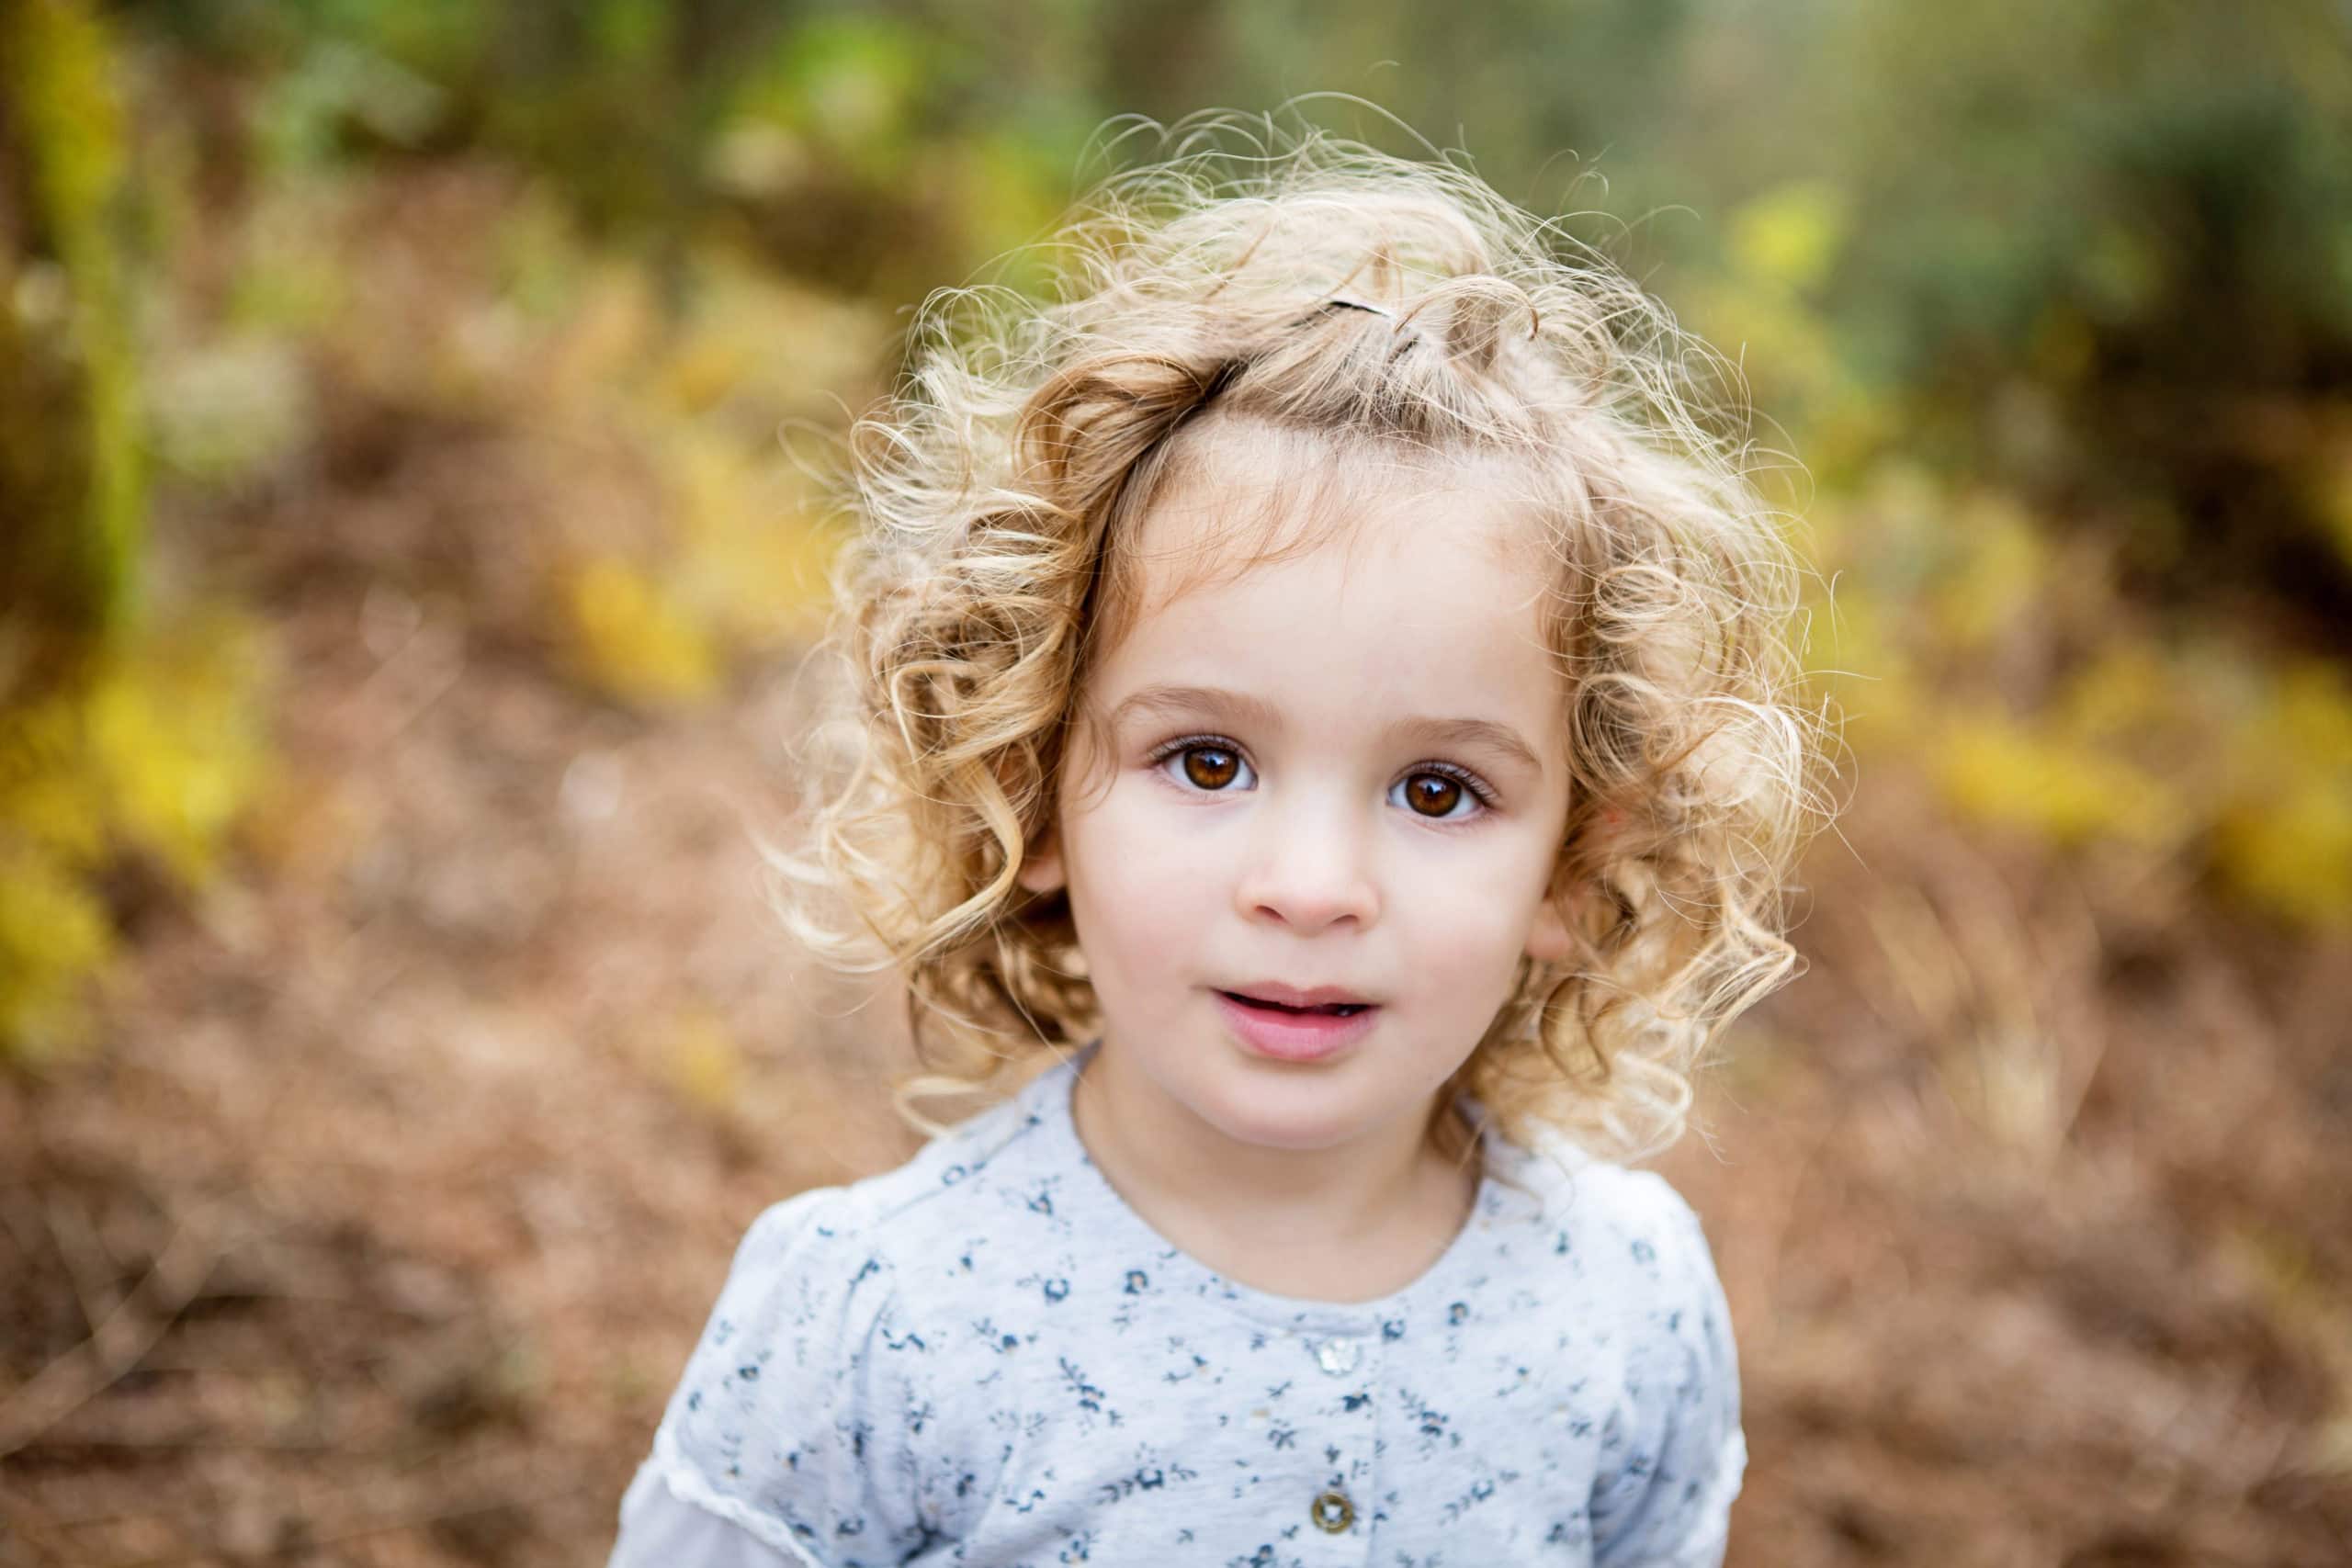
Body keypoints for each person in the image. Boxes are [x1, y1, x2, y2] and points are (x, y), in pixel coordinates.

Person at [607, 107, 1834, 1567]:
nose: (1311, 890)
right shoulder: (872, 1319)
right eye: (1206, 759)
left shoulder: (1629, 1305)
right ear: (1035, 781)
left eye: (1438, 791)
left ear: (1569, 869)